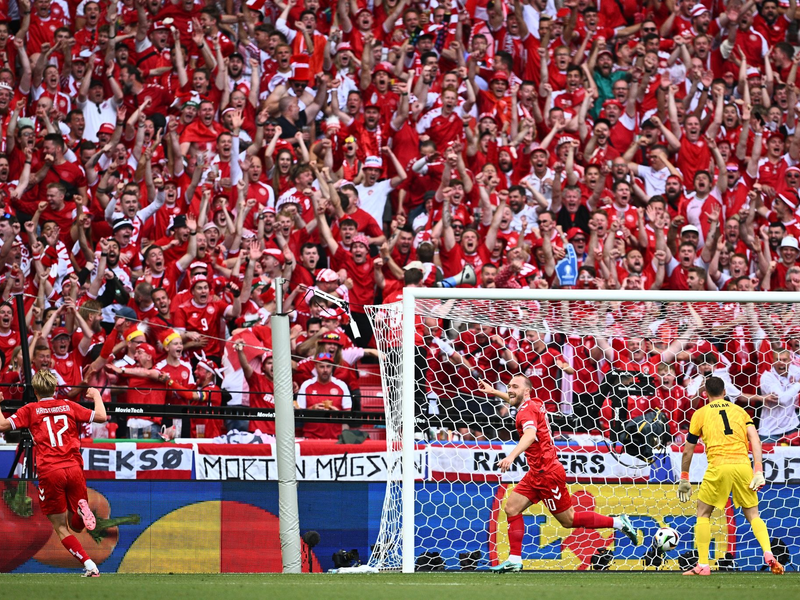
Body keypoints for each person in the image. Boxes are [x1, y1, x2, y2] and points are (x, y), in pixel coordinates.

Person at [481, 375, 638, 572]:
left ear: (526, 390)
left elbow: (530, 435)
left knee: (568, 520)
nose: (510, 389)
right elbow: (516, 398)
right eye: (508, 386)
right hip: (536, 473)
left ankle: (618, 522)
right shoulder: (534, 403)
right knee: (512, 508)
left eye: (515, 386)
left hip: (547, 474)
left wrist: (511, 456)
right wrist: (495, 392)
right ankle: (515, 559)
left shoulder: (525, 413)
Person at [0, 371, 107, 577]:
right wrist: (96, 396)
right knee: (76, 526)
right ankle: (80, 512)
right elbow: (102, 417)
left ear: (35, 390)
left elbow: (2, 425)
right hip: (74, 468)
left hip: (51, 471)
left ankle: (90, 565)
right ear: (55, 387)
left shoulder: (31, 409)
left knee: (60, 528)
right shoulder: (68, 405)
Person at [677, 376, 784, 576]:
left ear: (705, 394)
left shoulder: (700, 414)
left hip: (719, 466)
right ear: (725, 393)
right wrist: (758, 470)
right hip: (743, 466)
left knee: (703, 513)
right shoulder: (741, 411)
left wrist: (684, 477)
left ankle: (703, 565)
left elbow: (687, 451)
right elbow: (755, 440)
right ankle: (768, 553)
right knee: (753, 515)